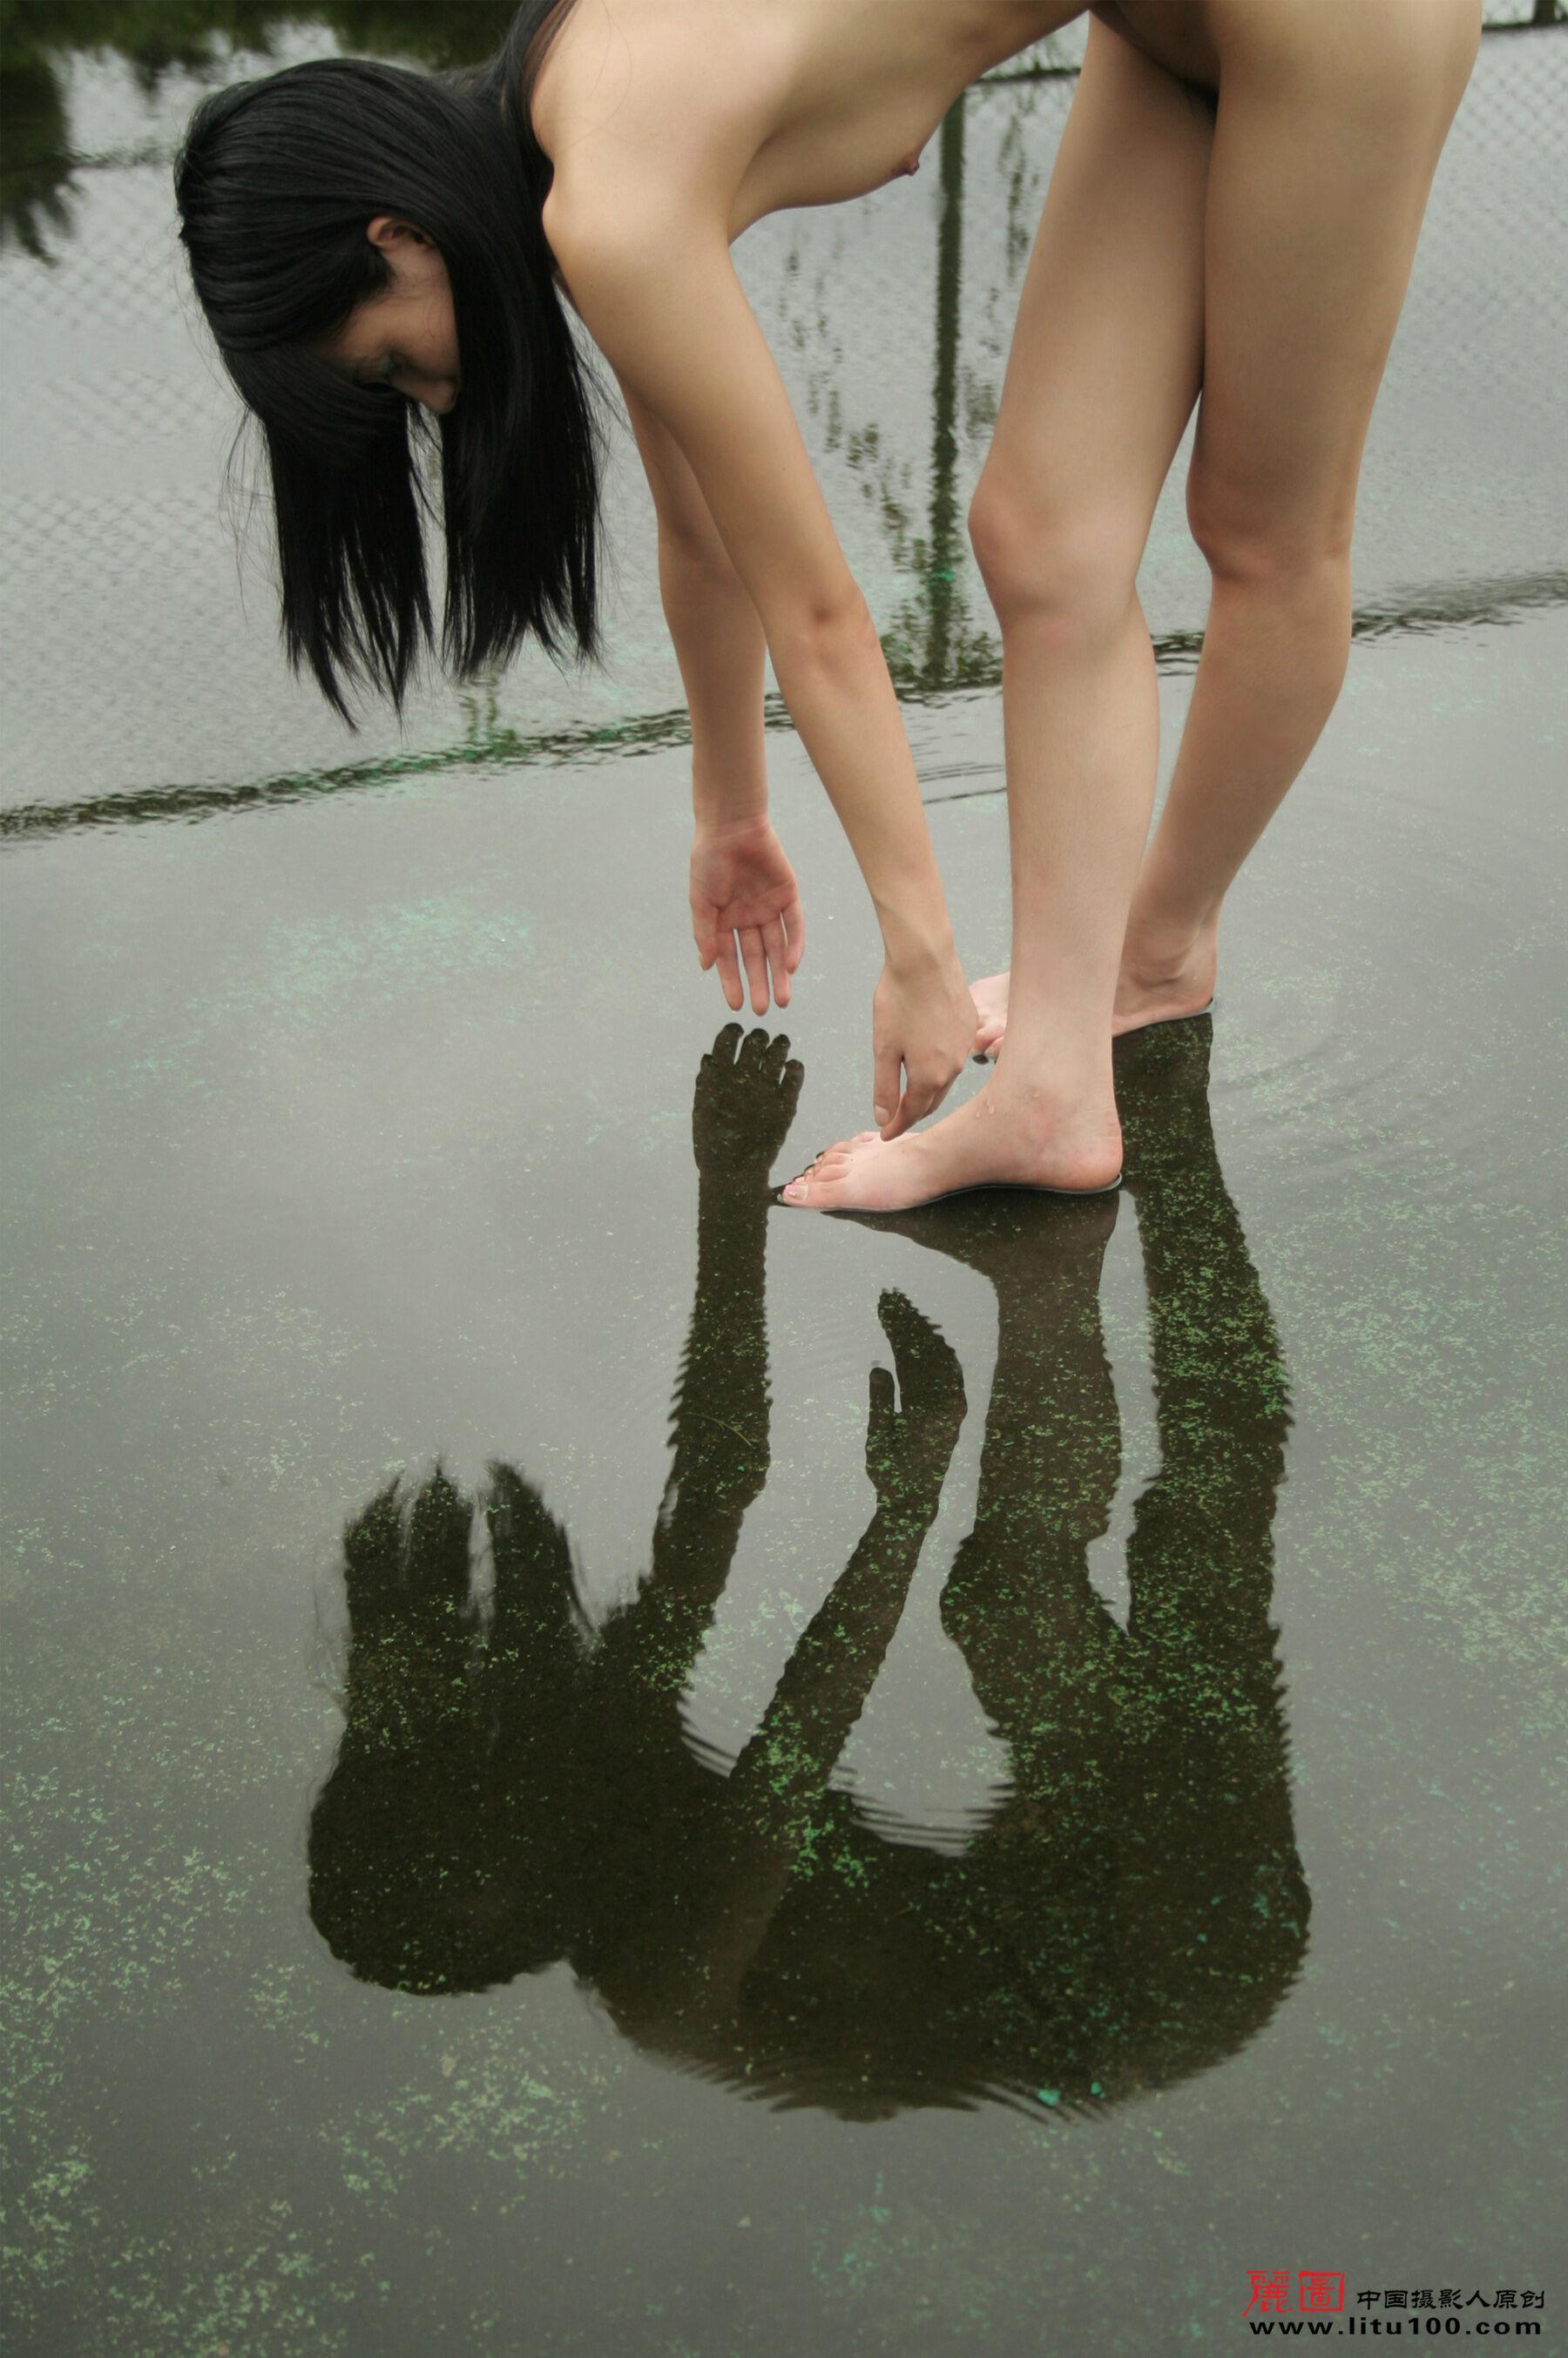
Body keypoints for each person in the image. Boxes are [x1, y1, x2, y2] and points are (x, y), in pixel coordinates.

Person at [175, 0, 1480, 1205]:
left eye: (394, 367)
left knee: (1264, 535)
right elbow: (707, 539)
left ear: (397, 236)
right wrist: (731, 814)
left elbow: (819, 614)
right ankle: (1067, 1082)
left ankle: (1158, 953)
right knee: (1041, 540)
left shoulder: (611, 199)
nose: (438, 402)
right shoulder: (571, 147)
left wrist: (919, 954)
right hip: (1163, 25)